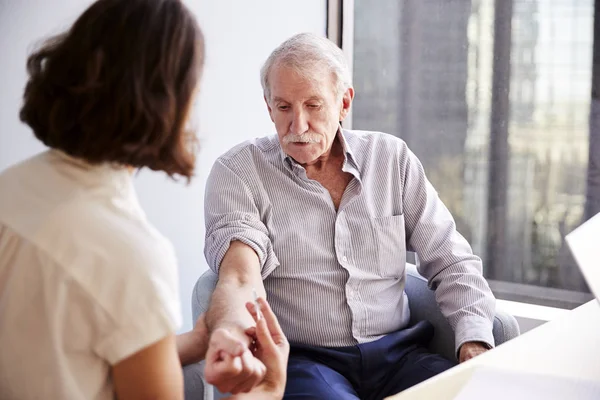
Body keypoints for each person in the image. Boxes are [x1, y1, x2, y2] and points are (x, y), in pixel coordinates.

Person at [0, 0, 287, 399]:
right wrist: (265, 393)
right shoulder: (129, 254)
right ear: (168, 102)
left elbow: (60, 350)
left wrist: (198, 338)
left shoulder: (10, 190)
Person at [202, 32, 497, 400]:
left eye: (313, 105)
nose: (297, 126)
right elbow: (240, 276)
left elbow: (452, 260)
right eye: (283, 107)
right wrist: (229, 333)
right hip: (305, 361)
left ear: (344, 103)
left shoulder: (392, 160)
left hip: (400, 354)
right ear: (268, 106)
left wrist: (473, 342)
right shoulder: (239, 172)